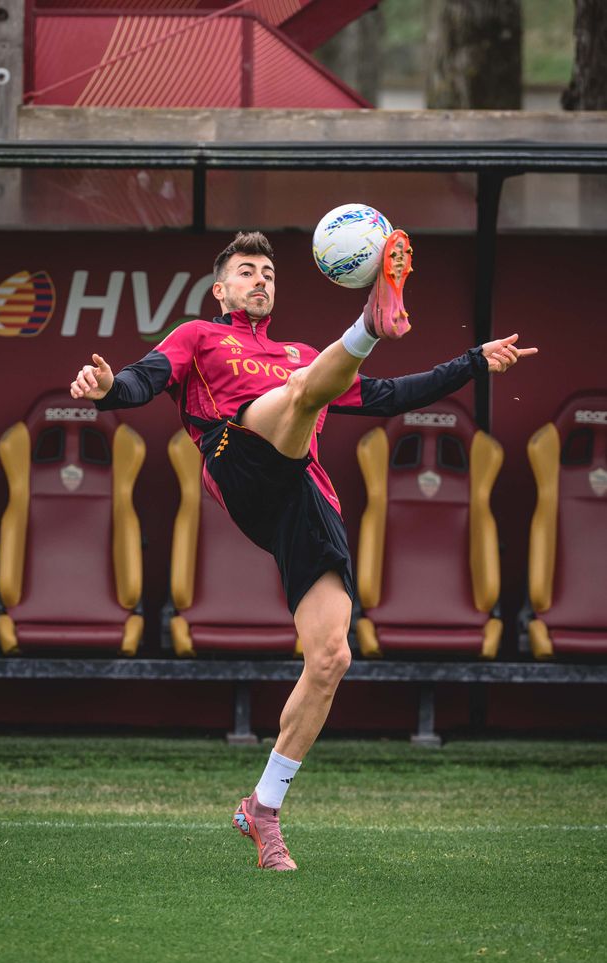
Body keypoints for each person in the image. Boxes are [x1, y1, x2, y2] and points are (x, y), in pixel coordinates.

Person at [70, 228, 537, 872]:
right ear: (220, 288)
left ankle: (263, 807)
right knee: (297, 394)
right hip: (238, 458)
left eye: (267, 271)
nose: (260, 279)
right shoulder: (200, 337)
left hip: (303, 498)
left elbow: (391, 396)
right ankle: (371, 324)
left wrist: (474, 361)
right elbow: (144, 380)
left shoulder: (302, 354)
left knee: (331, 657)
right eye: (245, 271)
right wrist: (106, 390)